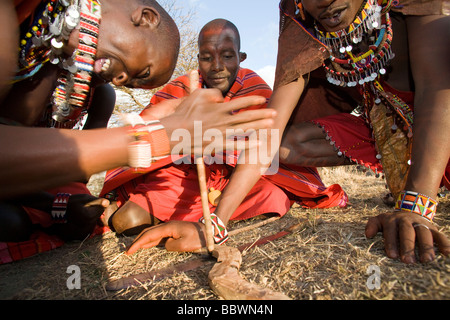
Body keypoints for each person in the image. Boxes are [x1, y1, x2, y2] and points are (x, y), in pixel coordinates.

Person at [0, 1, 277, 263]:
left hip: (229, 183)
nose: (119, 81)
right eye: (142, 73)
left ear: (240, 57)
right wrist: (156, 134)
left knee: (31, 221)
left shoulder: (95, 89)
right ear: (145, 18)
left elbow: (266, 150)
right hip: (175, 177)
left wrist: (59, 204)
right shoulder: (29, 36)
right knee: (25, 222)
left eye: (135, 82)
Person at [114, 19, 347, 254]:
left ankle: (208, 219)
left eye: (227, 56)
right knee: (126, 221)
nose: (216, 66)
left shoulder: (255, 89)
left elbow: (267, 145)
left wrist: (226, 150)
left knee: (273, 197)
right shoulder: (184, 88)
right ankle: (176, 218)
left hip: (237, 180)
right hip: (186, 176)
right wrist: (185, 121)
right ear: (198, 60)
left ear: (240, 57)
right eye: (206, 57)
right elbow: (141, 135)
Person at [272, 0, 449, 264]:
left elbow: (439, 88)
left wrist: (416, 206)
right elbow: (270, 132)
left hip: (440, 122)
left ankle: (427, 182)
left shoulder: (414, 6)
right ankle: (400, 172)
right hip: (382, 128)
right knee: (285, 146)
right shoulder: (303, 22)